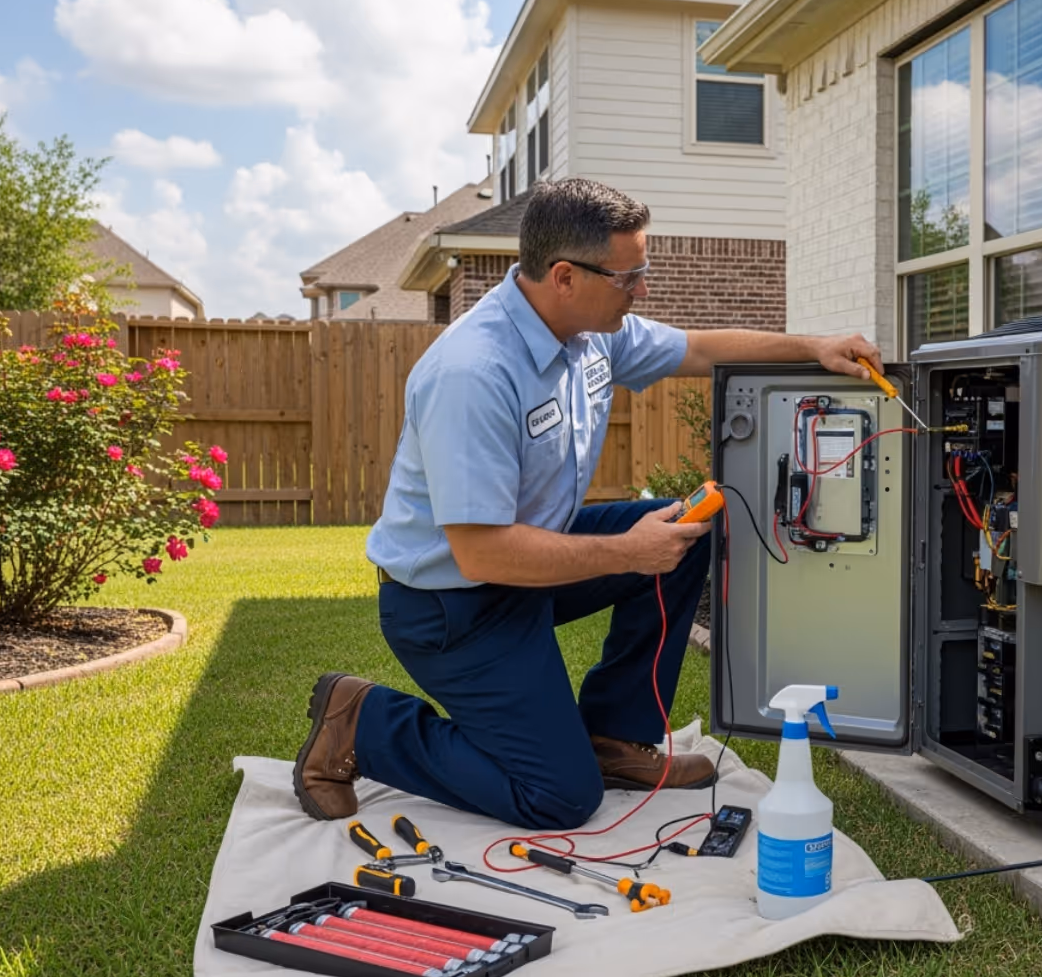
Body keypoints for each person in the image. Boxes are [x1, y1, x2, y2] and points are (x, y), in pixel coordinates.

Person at [291, 177, 882, 831]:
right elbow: (480, 550)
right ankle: (362, 724)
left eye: (643, 273)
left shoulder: (591, 333)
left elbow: (700, 348)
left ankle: (613, 738)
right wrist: (630, 553)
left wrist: (814, 347)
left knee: (687, 529)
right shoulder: (474, 373)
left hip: (525, 563)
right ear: (566, 275)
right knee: (558, 798)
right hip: (452, 605)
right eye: (630, 278)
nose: (642, 291)